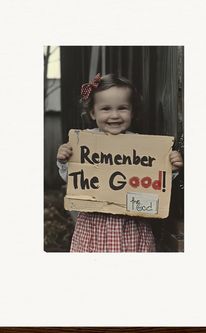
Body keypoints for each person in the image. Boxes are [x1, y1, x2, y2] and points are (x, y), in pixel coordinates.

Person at [56, 73, 183, 252]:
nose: (114, 115)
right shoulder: (83, 143)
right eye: (106, 109)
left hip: (131, 224)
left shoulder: (142, 146)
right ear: (92, 112)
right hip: (94, 225)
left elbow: (155, 182)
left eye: (122, 108)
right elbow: (73, 179)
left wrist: (172, 167)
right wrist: (64, 160)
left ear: (132, 111)